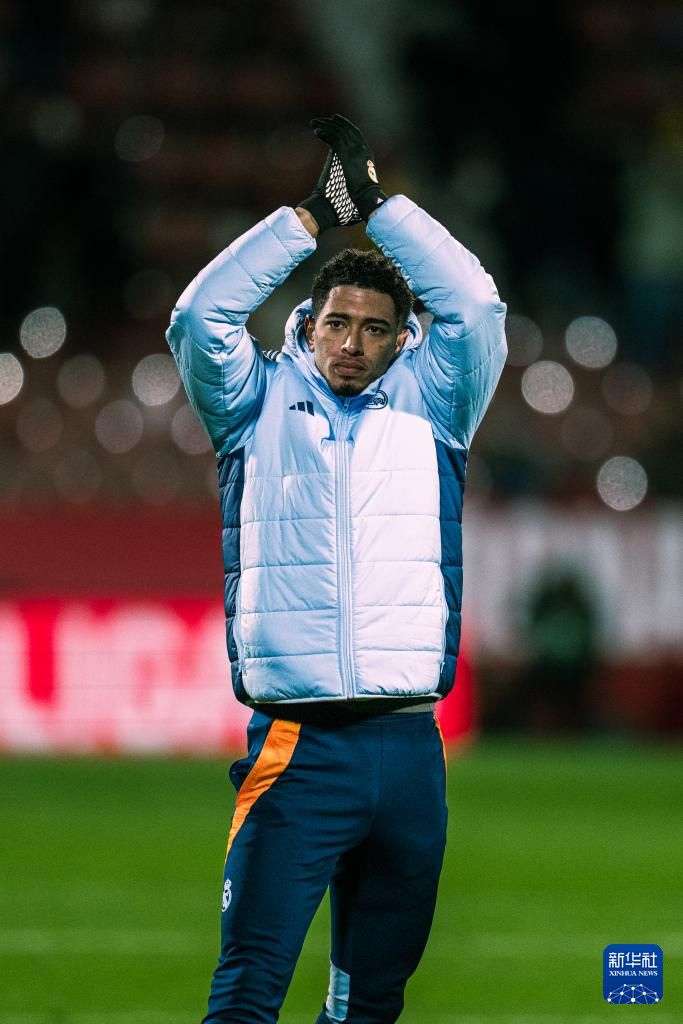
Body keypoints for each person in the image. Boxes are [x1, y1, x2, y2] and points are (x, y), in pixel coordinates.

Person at [166, 114, 507, 1024]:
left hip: (410, 750)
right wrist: (312, 219)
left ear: (403, 341)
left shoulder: (437, 406)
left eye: (374, 329)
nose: (351, 342)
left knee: (369, 1004)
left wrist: (382, 209)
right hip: (299, 746)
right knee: (248, 992)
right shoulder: (249, 403)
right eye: (336, 323)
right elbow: (199, 316)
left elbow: (475, 309)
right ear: (305, 326)